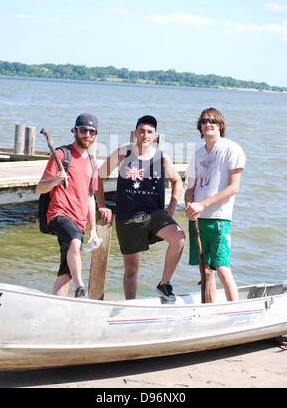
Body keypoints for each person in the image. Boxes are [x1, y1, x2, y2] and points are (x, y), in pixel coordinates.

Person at [96, 115, 185, 301]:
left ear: (155, 136)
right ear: (135, 133)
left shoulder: (162, 158)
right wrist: (102, 205)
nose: (145, 135)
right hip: (127, 217)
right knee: (131, 269)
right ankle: (130, 305)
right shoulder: (123, 153)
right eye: (142, 131)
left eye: (149, 132)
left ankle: (164, 283)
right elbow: (98, 177)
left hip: (154, 215)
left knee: (178, 237)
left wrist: (171, 208)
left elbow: (177, 181)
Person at [36, 113, 112, 298]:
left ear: (96, 135)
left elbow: (89, 197)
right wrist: (55, 180)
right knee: (74, 242)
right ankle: (81, 289)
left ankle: (57, 306)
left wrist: (93, 229)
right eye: (83, 130)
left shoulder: (92, 162)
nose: (87, 134)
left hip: (78, 221)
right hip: (58, 214)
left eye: (92, 132)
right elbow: (40, 188)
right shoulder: (62, 154)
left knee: (66, 272)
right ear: (74, 131)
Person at [185, 108, 246, 303]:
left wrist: (203, 204)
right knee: (206, 271)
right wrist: (189, 207)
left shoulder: (231, 149)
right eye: (204, 121)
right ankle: (210, 311)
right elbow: (190, 189)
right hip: (198, 219)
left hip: (219, 217)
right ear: (200, 127)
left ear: (220, 125)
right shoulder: (197, 154)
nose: (208, 123)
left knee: (221, 268)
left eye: (212, 120)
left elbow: (234, 187)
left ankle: (236, 310)